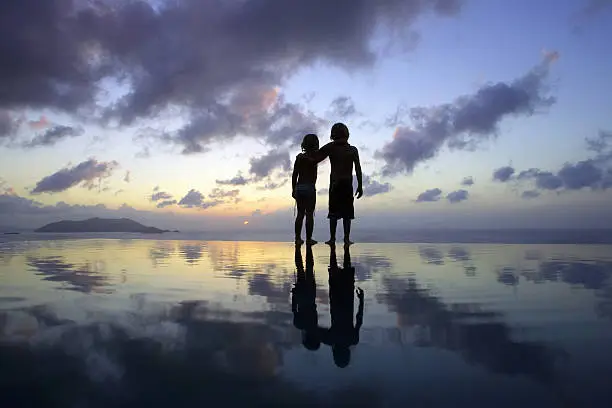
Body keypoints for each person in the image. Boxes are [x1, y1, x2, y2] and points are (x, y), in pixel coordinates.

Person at [311, 123, 363, 245]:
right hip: (346, 183)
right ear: (347, 134)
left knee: (335, 213)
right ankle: (345, 238)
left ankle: (333, 238)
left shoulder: (332, 147)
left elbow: (315, 158)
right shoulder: (351, 149)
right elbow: (358, 169)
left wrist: (307, 154)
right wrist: (360, 185)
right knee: (346, 213)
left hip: (336, 183)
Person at [320, 244, 364, 368]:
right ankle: (334, 248)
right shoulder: (330, 339)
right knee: (334, 269)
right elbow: (314, 330)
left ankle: (344, 247)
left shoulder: (353, 340)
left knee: (347, 267)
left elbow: (359, 318)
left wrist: (361, 300)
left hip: (347, 300)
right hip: (336, 301)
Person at [291, 133, 320, 245]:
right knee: (309, 214)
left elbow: (294, 174)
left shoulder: (299, 157)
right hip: (310, 188)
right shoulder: (316, 157)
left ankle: (297, 238)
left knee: (300, 214)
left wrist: (293, 189)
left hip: (299, 187)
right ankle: (309, 239)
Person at [291, 243, 320, 351]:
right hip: (302, 298)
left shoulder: (315, 328)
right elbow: (294, 308)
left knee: (308, 268)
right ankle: (300, 249)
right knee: (300, 268)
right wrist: (294, 294)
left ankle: (305, 249)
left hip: (311, 297)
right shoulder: (299, 325)